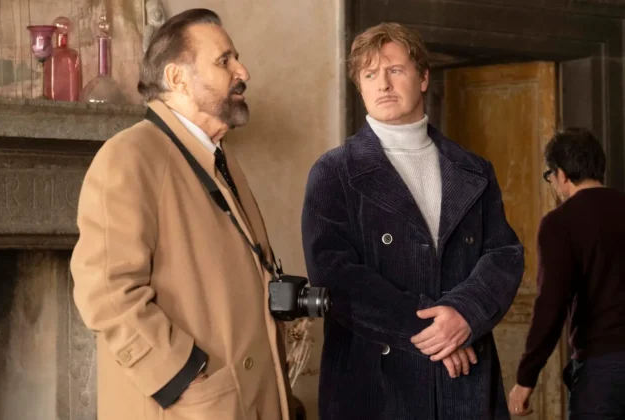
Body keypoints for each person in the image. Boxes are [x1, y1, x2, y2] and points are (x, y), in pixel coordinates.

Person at [70, 9, 291, 420]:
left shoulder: (219, 158)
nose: (243, 71)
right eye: (224, 60)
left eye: (237, 59)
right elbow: (106, 294)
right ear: (177, 78)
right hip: (189, 407)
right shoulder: (129, 156)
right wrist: (184, 377)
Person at [301, 22, 524, 419]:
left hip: (464, 383)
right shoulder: (334, 172)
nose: (383, 84)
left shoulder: (474, 170)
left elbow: (503, 254)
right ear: (360, 86)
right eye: (370, 74)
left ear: (422, 78)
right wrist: (434, 332)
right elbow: (334, 274)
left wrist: (465, 313)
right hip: (375, 385)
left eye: (395, 70)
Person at [509, 128, 625, 419]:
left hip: (603, 370)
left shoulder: (560, 223)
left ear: (561, 174)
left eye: (549, 176)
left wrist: (526, 378)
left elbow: (551, 305)